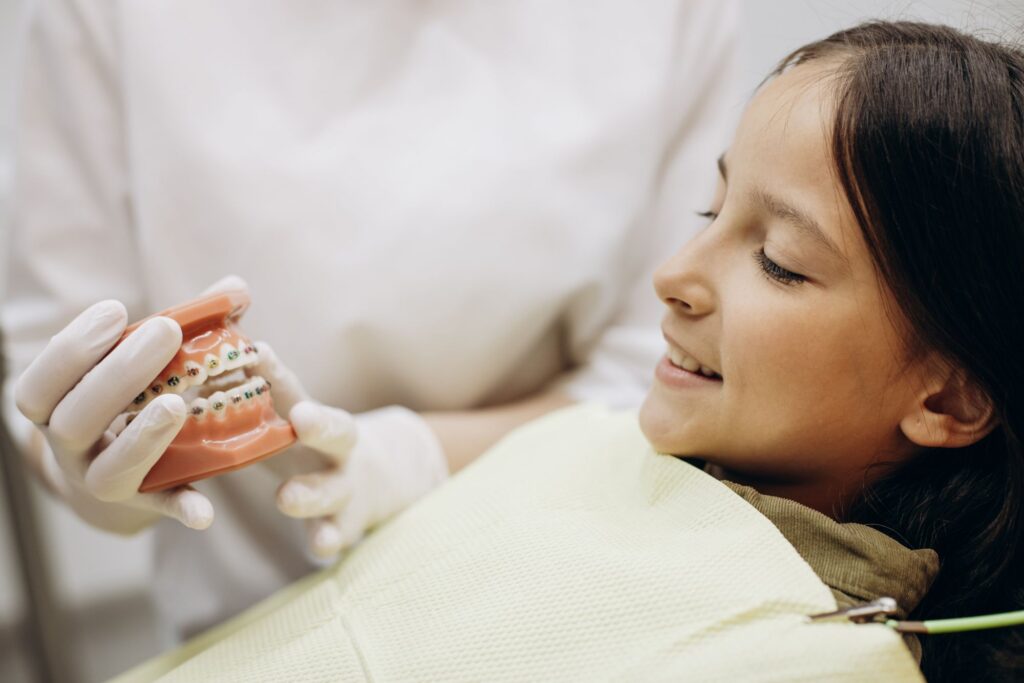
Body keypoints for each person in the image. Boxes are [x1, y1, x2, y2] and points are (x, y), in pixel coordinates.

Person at [109, 20, 1024, 682]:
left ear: (946, 401)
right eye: (711, 212)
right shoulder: (597, 443)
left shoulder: (816, 651)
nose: (675, 272)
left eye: (779, 263)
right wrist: (402, 460)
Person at [2, 0, 740, 641]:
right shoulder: (101, 14)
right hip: (255, 618)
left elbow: (668, 364)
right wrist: (97, 463)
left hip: (579, 577)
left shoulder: (666, 14)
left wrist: (410, 457)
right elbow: (54, 348)